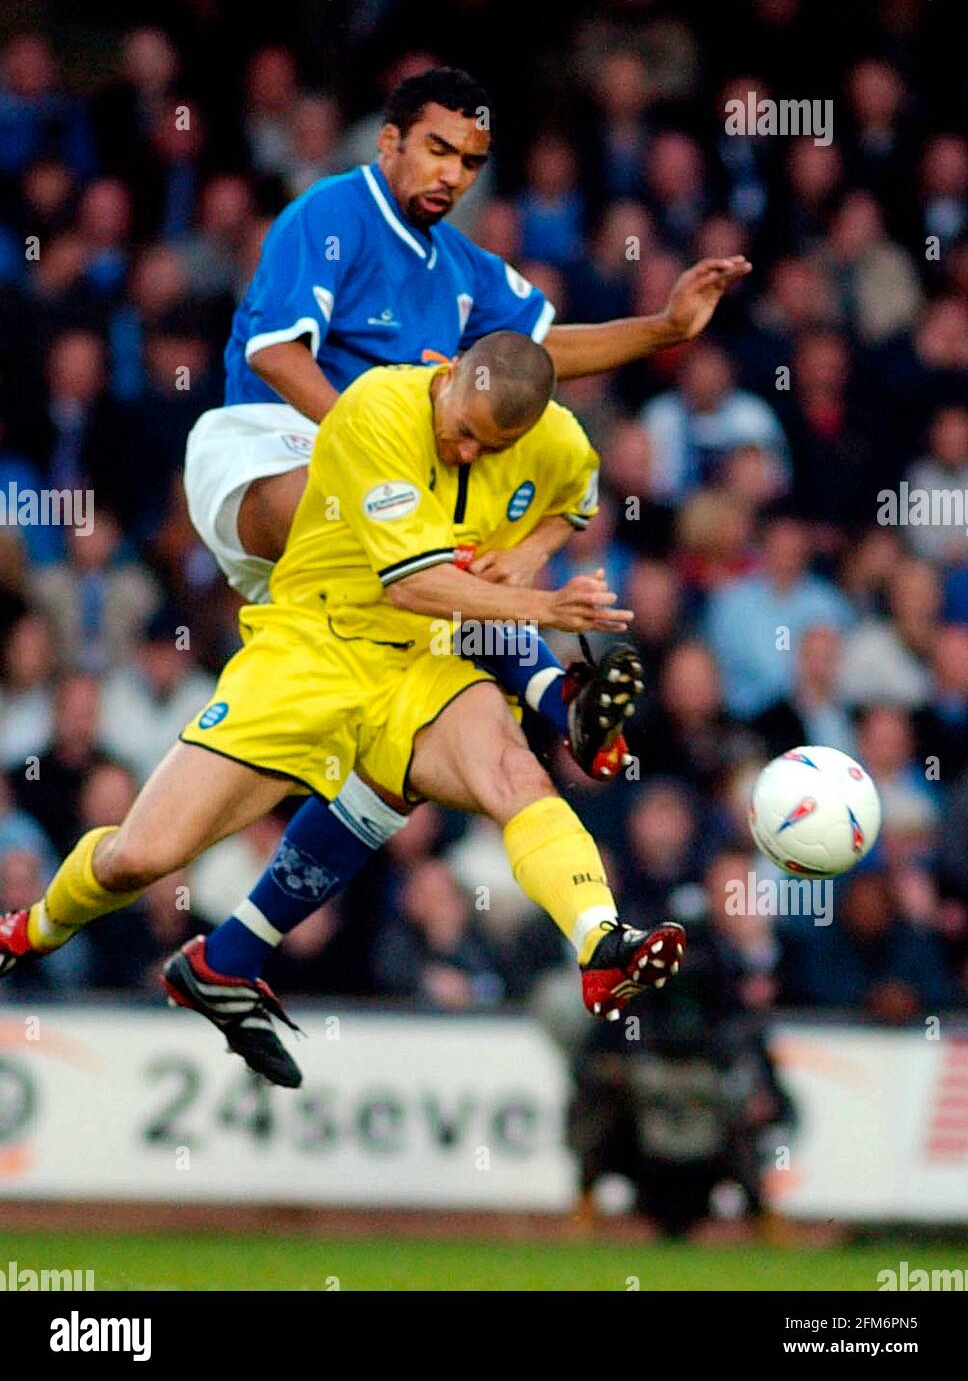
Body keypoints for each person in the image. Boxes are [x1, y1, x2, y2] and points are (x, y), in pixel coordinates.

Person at [0, 334, 685, 1086]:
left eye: (487, 448)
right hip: (313, 650)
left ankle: (601, 943)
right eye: (460, 431)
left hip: (421, 665)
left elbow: (576, 495)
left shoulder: (554, 436)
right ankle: (33, 928)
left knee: (513, 774)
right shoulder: (374, 413)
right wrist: (539, 601)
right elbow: (412, 584)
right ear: (443, 372)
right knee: (142, 855)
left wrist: (531, 551)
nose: (463, 453)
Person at [183, 66, 748, 973]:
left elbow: (529, 359)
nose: (451, 173)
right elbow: (279, 356)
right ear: (390, 142)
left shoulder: (463, 268)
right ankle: (557, 697)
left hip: (365, 545)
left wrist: (666, 329)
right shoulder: (329, 215)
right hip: (267, 454)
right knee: (445, 537)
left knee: (404, 755)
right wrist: (376, 449)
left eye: (470, 160)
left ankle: (230, 955)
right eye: (438, 148)